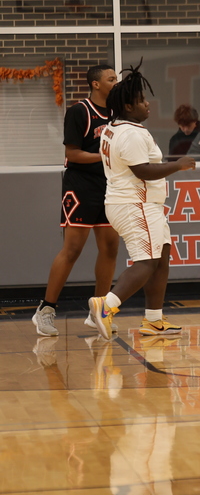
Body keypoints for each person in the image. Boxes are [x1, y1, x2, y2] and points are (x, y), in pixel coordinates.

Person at [88, 62, 197, 340]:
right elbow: (143, 171)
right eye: (141, 100)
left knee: (161, 257)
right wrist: (178, 165)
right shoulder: (132, 133)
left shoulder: (113, 127)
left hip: (132, 203)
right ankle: (105, 306)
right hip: (135, 204)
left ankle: (154, 320)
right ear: (127, 106)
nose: (147, 104)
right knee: (146, 261)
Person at [32, 64, 120, 337]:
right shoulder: (79, 111)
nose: (115, 82)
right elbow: (72, 154)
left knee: (110, 248)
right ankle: (45, 310)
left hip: (109, 186)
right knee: (72, 250)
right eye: (111, 78)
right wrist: (105, 157)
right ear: (96, 84)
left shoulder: (117, 113)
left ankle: (99, 312)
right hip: (81, 186)